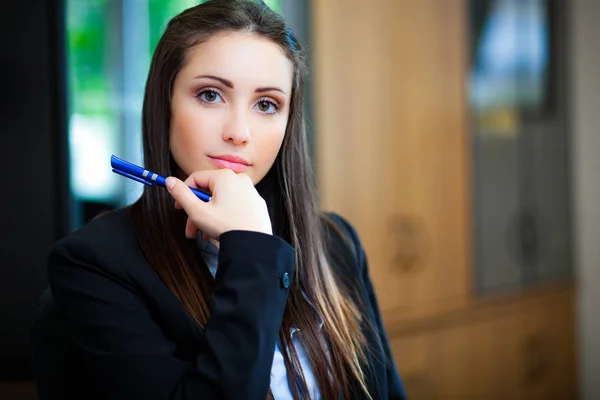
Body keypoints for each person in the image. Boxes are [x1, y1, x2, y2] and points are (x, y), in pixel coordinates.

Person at [37, 0, 406, 398]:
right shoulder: (93, 264)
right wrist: (251, 251)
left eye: (266, 104)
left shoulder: (336, 243)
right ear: (165, 103)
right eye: (211, 95)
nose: (239, 131)